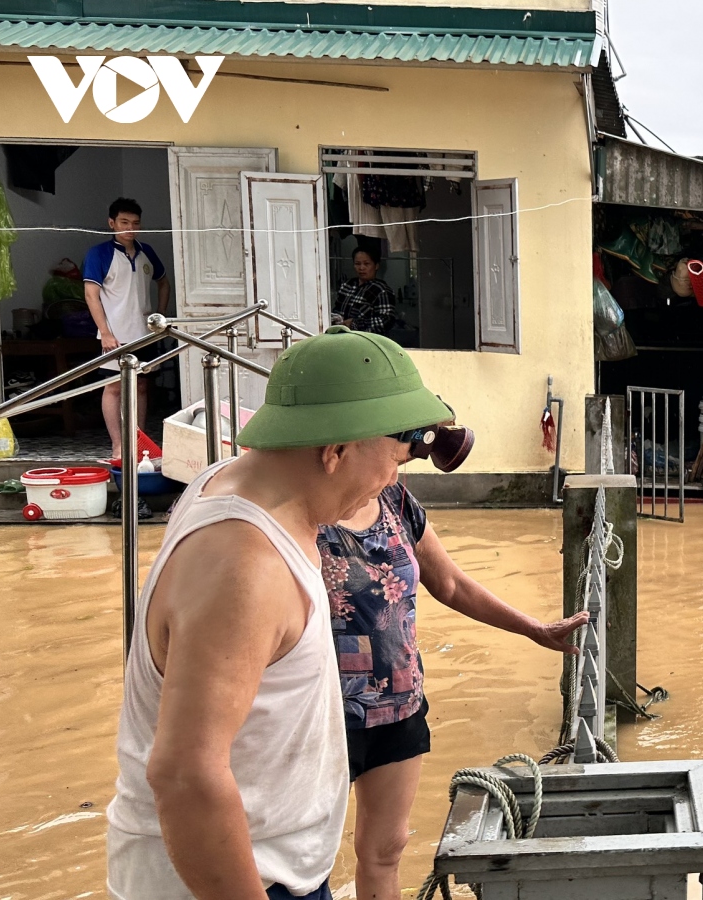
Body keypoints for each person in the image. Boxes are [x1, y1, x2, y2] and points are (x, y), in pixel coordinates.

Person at [106, 326, 458, 900]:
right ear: (335, 451)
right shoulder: (246, 566)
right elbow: (184, 773)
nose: (393, 478)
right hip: (234, 878)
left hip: (273, 861)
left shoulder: (225, 483)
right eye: (392, 460)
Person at [319, 478, 587, 900]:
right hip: (322, 714)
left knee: (386, 851)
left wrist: (534, 629)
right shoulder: (303, 511)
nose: (405, 458)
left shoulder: (398, 502)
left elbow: (451, 585)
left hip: (399, 706)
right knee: (308, 859)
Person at [83, 197, 171, 462]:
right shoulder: (99, 253)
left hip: (144, 332)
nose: (130, 227)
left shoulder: (146, 252)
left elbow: (164, 283)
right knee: (113, 387)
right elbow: (90, 294)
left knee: (141, 386)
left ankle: (138, 441)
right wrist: (105, 333)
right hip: (114, 334)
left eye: (135, 223)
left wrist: (160, 317)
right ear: (112, 223)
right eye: (124, 222)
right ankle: (119, 446)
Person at [333, 245, 397, 336]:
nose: (361, 268)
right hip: (340, 337)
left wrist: (354, 324)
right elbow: (336, 309)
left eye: (366, 264)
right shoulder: (347, 285)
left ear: (376, 266)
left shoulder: (382, 290)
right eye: (357, 264)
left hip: (367, 340)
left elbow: (387, 321)